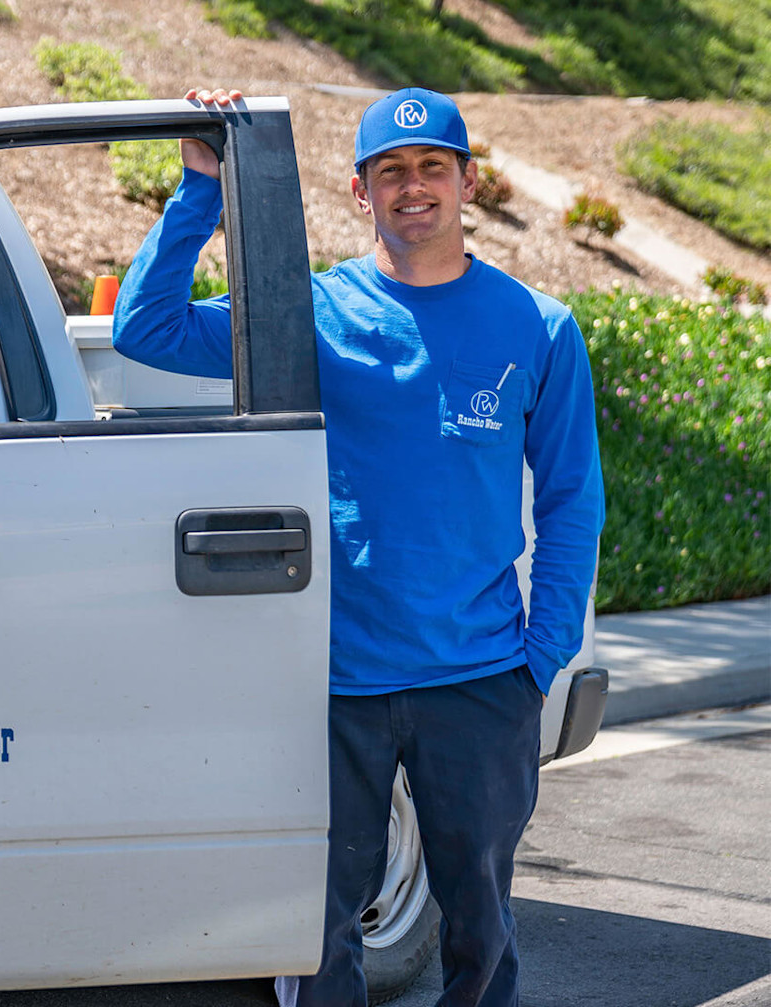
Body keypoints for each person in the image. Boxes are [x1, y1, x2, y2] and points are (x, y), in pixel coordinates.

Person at [113, 87, 605, 1007]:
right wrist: (200, 189)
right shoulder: (314, 312)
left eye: (430, 168)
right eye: (390, 172)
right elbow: (149, 331)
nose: (412, 187)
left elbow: (574, 498)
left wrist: (540, 660)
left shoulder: (537, 327)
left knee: (480, 932)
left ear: (468, 181)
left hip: (481, 681)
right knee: (316, 928)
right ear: (359, 190)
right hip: (334, 682)